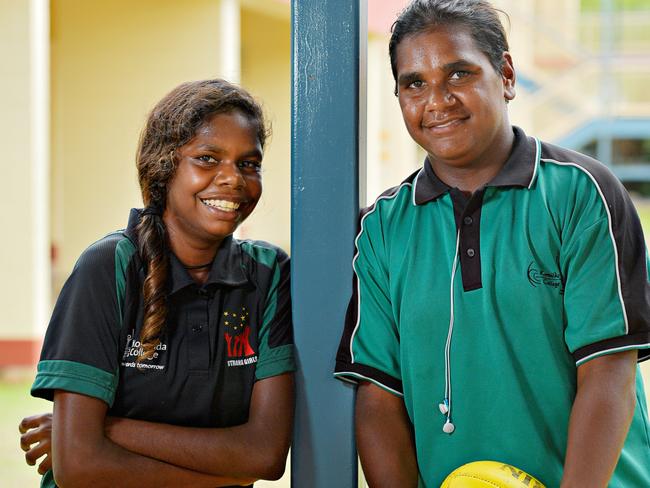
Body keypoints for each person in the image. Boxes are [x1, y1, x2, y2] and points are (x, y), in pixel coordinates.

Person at [334, 1, 650, 486]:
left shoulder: (582, 194)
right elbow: (379, 397)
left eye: (458, 74)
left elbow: (608, 374)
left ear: (505, 75)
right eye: (413, 83)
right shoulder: (382, 227)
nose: (436, 100)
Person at [19, 79, 295, 487]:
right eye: (207, 159)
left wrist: (110, 429)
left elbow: (265, 453)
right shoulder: (109, 266)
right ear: (165, 168)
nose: (233, 179)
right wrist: (232, 473)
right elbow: (79, 466)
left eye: (248, 164)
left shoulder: (269, 275)